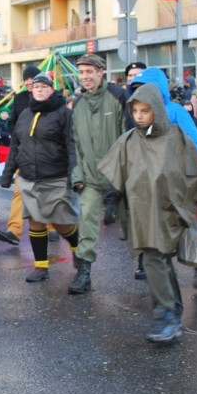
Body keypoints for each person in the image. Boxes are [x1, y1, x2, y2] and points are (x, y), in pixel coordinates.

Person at [99, 84, 197, 344]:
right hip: (142, 213)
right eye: (135, 110)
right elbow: (116, 176)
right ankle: (167, 313)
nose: (139, 116)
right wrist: (111, 202)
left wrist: (186, 204)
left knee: (182, 254)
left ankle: (172, 308)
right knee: (154, 259)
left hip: (173, 211)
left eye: (145, 110)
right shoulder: (128, 141)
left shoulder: (175, 137)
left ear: (157, 110)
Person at [1, 73, 80, 283]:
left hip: (56, 177)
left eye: (44, 86)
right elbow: (16, 146)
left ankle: (79, 252)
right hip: (29, 177)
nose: (40, 89)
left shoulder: (63, 113)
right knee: (35, 222)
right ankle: (41, 267)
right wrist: (8, 173)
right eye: (36, 86)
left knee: (61, 222)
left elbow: (72, 145)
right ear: (31, 90)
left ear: (51, 90)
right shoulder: (26, 114)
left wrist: (75, 174)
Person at [68, 54, 127, 294]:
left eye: (89, 71)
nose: (85, 77)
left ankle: (146, 262)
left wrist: (121, 176)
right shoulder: (78, 105)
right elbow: (75, 145)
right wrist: (78, 176)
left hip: (118, 176)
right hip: (90, 177)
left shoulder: (117, 97)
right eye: (81, 72)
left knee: (133, 223)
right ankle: (84, 273)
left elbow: (128, 136)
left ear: (101, 72)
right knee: (88, 222)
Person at [0, 64, 41, 247]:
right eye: (27, 79)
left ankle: (53, 228)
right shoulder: (19, 98)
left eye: (32, 78)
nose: (29, 82)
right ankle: (14, 230)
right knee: (19, 191)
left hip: (46, 154)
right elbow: (13, 123)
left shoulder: (50, 97)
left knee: (48, 192)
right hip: (24, 152)